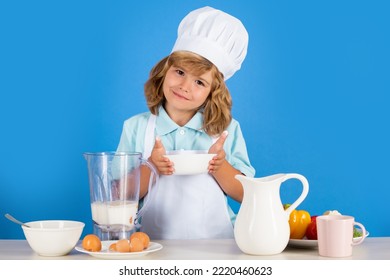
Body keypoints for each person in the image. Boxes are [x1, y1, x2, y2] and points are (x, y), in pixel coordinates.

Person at [116, 6, 255, 239]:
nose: (185, 86)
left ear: (213, 92)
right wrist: (151, 167)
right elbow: (118, 194)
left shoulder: (227, 131)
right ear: (164, 71)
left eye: (200, 82)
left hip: (220, 249)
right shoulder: (136, 127)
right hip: (151, 248)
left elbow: (247, 194)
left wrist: (220, 166)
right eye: (179, 72)